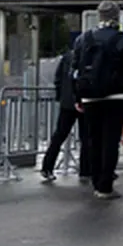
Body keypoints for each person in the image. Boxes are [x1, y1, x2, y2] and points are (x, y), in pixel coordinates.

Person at [73, 2, 123, 199]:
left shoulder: (83, 39)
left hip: (89, 96)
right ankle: (105, 186)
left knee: (93, 140)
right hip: (116, 96)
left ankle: (96, 180)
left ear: (99, 16)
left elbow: (75, 70)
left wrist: (77, 97)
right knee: (110, 140)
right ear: (117, 16)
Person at [41, 32, 93, 182]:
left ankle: (47, 167)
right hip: (85, 101)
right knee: (86, 137)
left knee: (60, 135)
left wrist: (61, 96)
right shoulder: (89, 58)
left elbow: (58, 79)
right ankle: (85, 170)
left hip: (67, 103)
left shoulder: (67, 57)